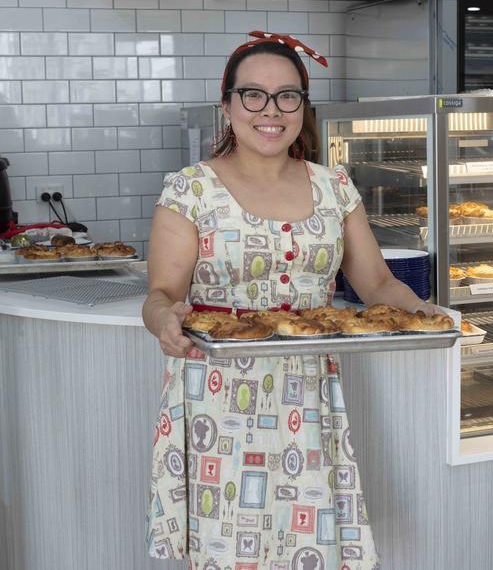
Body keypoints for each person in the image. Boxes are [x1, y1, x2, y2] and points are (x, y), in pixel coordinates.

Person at [143, 30, 441, 569]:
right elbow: (161, 293)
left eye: (288, 96)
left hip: (307, 387)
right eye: (253, 95)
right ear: (227, 104)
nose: (270, 110)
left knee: (309, 541)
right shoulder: (189, 190)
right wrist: (164, 317)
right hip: (220, 392)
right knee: (230, 542)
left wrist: (431, 316)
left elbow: (377, 285)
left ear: (303, 107)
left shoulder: (335, 187)